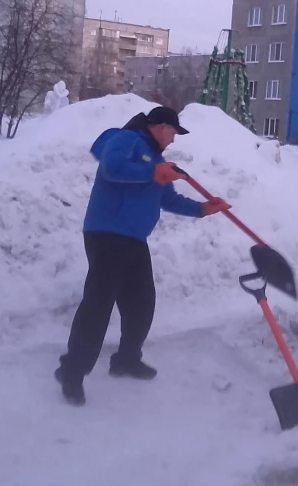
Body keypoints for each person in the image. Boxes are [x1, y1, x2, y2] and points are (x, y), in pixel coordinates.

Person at [54, 106, 231, 406]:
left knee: (141, 304)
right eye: (173, 133)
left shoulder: (158, 161)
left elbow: (168, 199)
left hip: (134, 240)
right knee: (98, 305)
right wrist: (152, 172)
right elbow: (111, 168)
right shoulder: (126, 140)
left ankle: (126, 359)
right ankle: (71, 371)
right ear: (160, 126)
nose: (173, 140)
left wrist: (202, 209)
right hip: (107, 233)